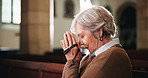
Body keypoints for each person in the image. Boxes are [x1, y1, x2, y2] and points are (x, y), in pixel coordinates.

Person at [60, 5, 132, 78]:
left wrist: (72, 61)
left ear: (99, 32)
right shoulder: (91, 56)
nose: (79, 43)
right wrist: (73, 61)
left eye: (82, 36)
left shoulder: (114, 55)